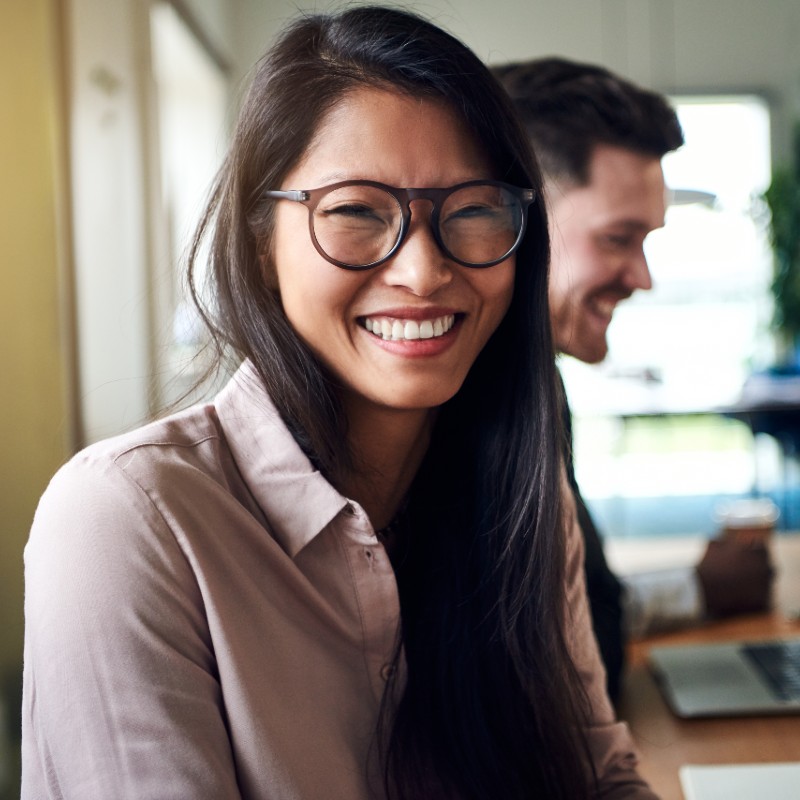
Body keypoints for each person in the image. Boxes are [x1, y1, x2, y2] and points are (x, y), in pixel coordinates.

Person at [21, 8, 657, 799]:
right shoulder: (129, 519)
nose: (423, 272)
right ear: (262, 240)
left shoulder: (519, 492)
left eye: (473, 210)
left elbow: (603, 776)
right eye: (356, 211)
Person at [494, 57, 774, 702]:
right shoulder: (452, 411)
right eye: (618, 238)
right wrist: (695, 590)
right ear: (506, 220)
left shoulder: (532, 386)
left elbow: (569, 618)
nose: (642, 277)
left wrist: (695, 590)